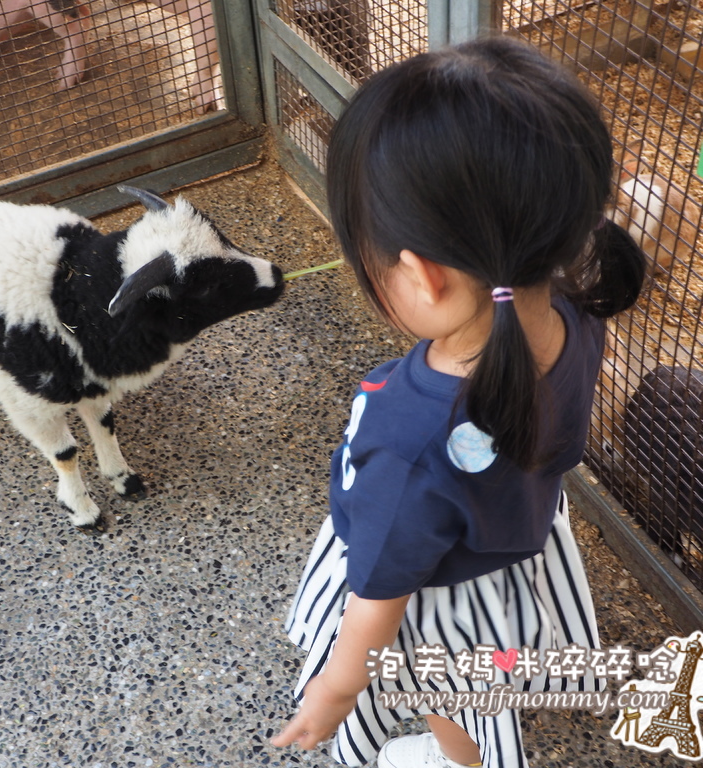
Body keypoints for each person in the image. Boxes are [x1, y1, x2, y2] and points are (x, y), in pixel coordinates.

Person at [270, 36, 647, 768]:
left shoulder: (411, 432)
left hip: (439, 594)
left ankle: (458, 761)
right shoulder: (577, 308)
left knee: (444, 684)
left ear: (422, 275)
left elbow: (385, 583)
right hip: (514, 542)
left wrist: (342, 683)